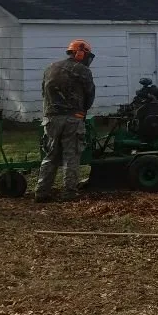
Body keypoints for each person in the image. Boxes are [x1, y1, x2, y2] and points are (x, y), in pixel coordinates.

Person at [34, 39, 96, 202]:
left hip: (51, 118)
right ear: (80, 53)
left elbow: (43, 93)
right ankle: (69, 193)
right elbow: (90, 95)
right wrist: (83, 110)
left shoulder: (50, 68)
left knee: (50, 155)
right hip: (72, 119)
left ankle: (41, 192)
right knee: (71, 156)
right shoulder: (82, 71)